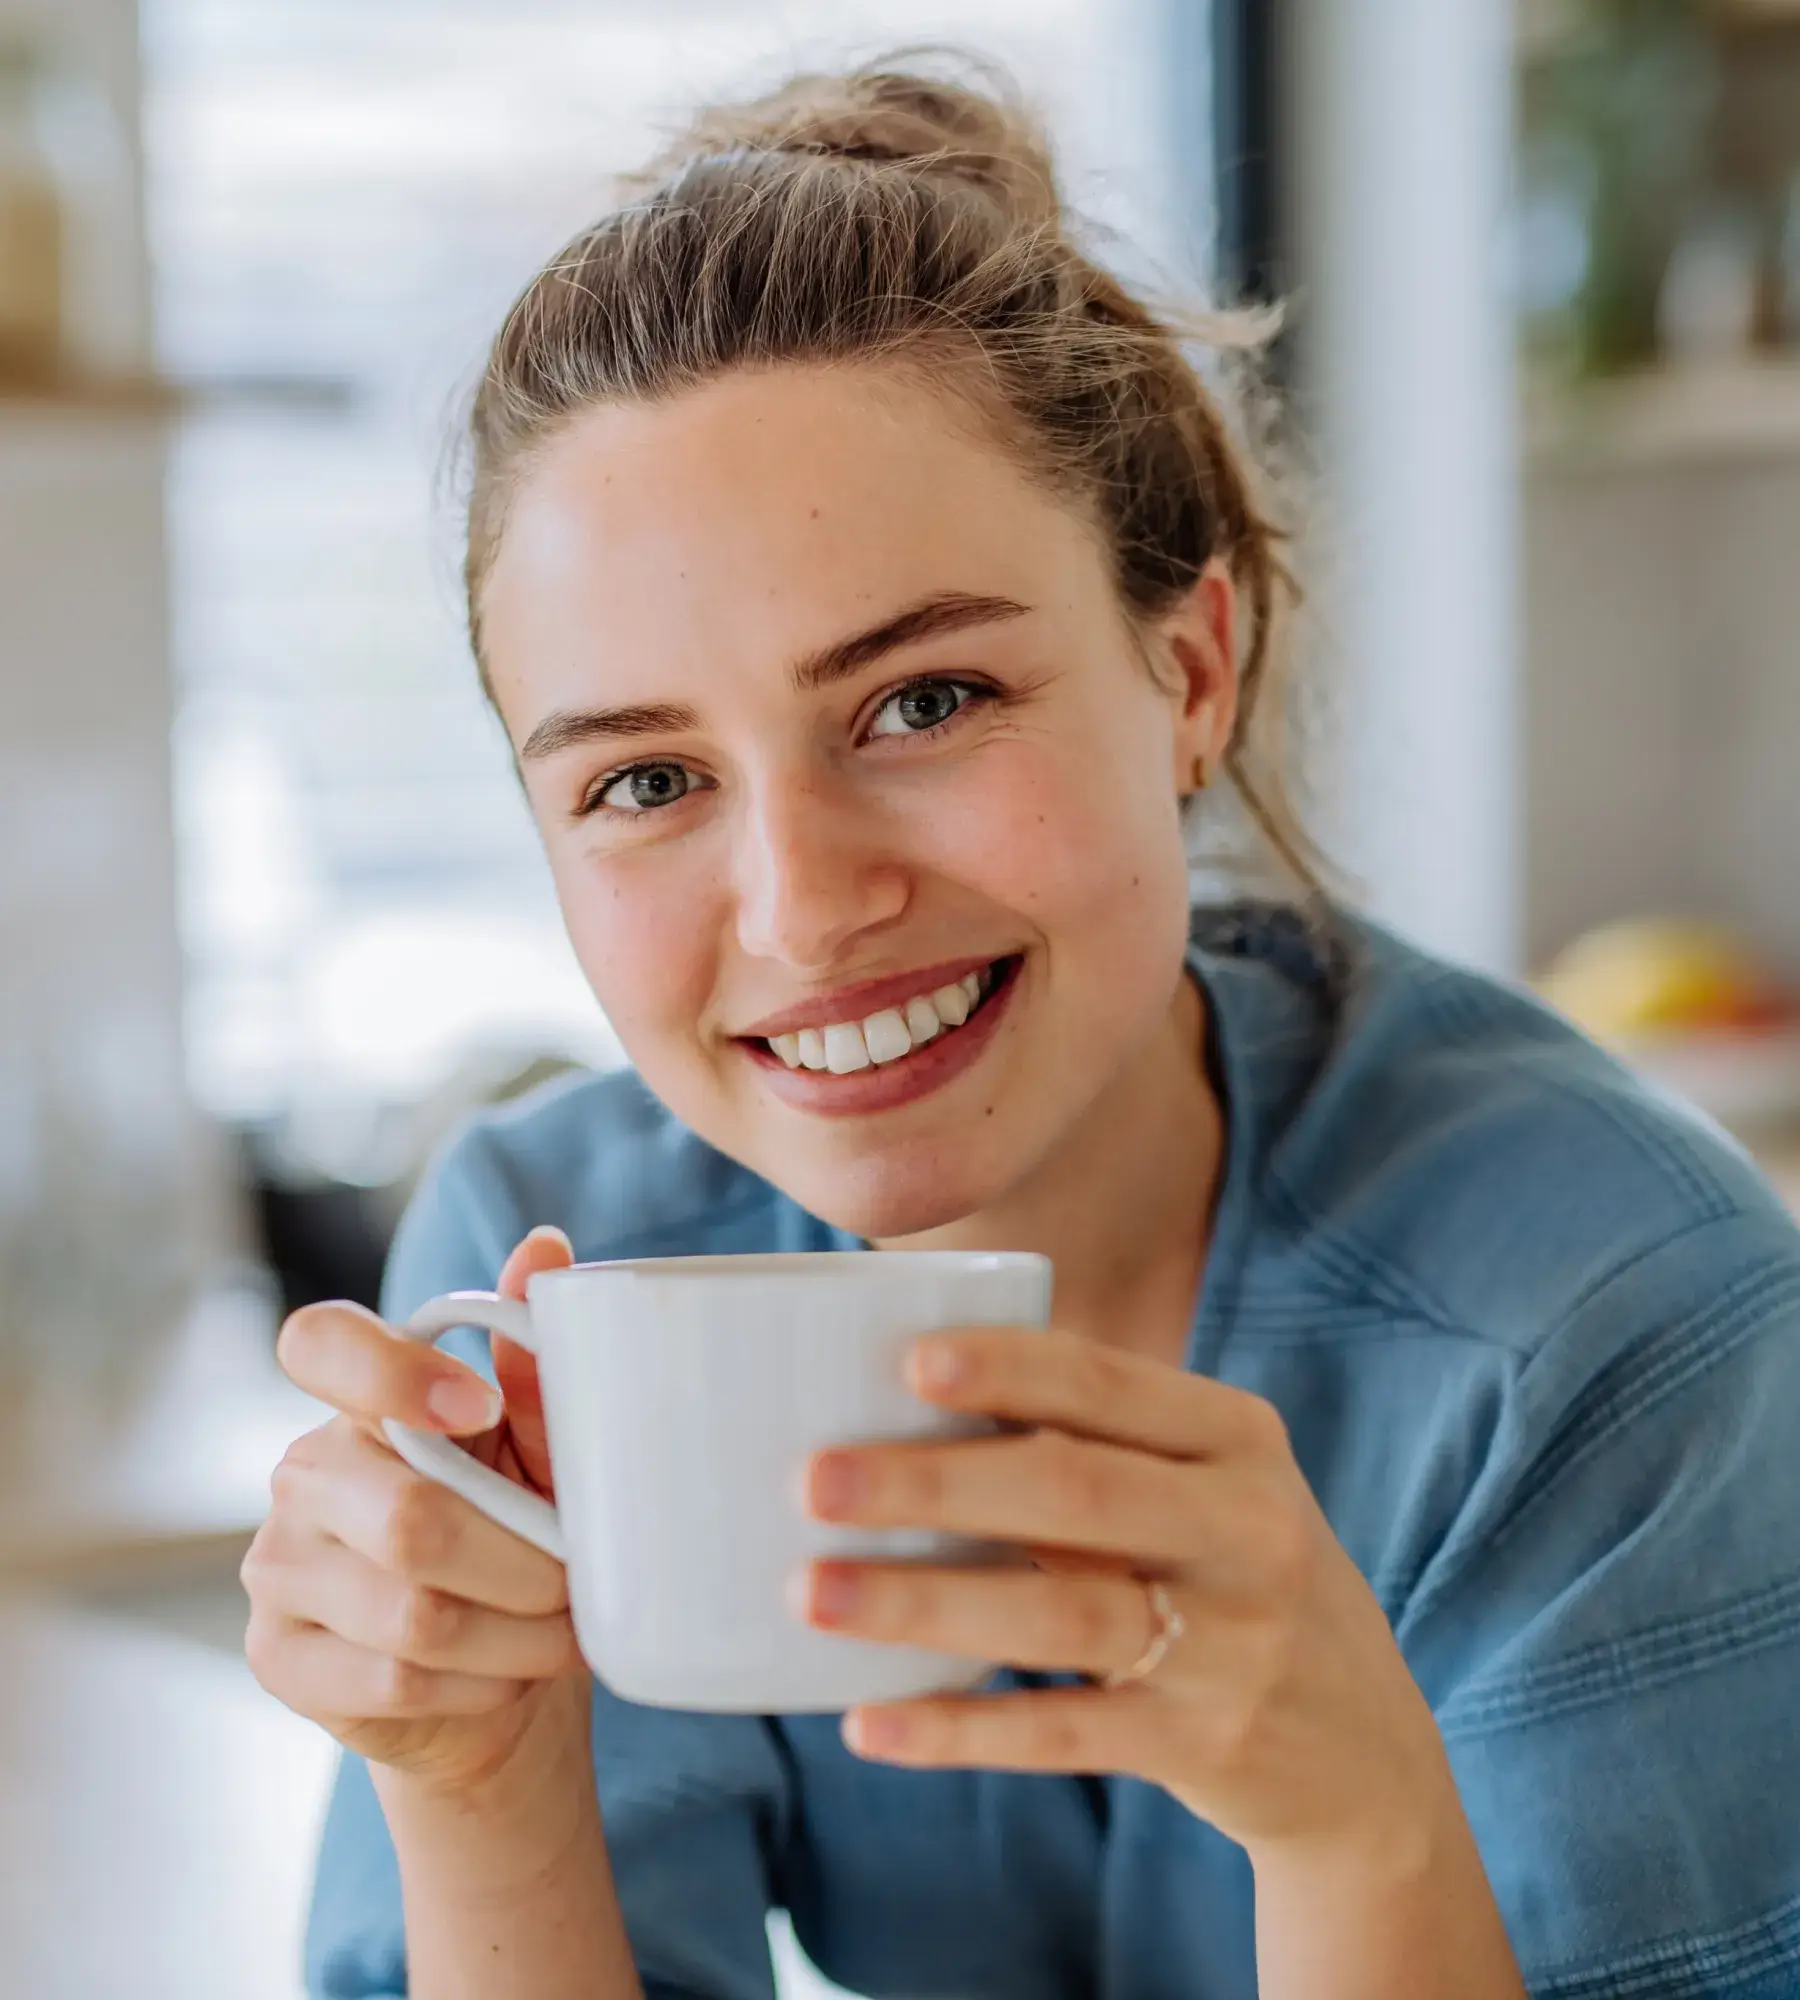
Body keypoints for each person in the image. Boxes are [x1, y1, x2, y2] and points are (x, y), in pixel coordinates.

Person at [245, 56, 1800, 2000]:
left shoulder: (1606, 1321)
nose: (804, 907)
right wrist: (477, 1791)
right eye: (646, 782)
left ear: (1190, 673)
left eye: (924, 701)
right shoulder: (557, 1283)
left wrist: (1354, 1826)